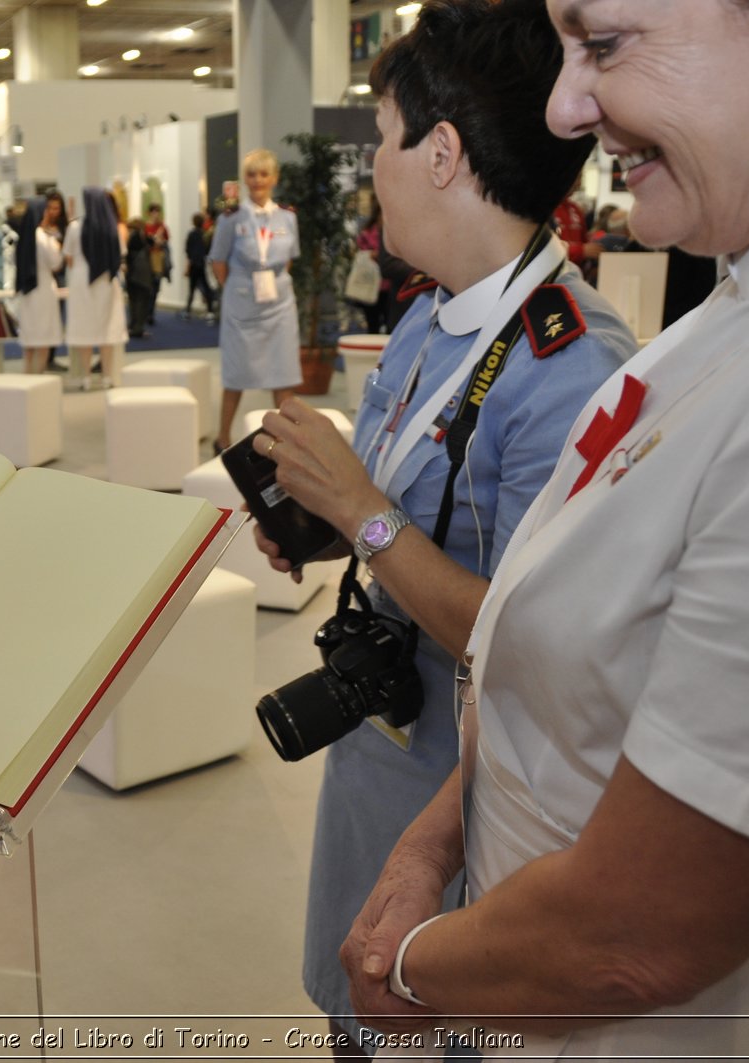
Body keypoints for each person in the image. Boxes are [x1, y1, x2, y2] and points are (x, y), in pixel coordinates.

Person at [328, 0, 749, 1056]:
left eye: (606, 45)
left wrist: (409, 966)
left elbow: (638, 936)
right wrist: (431, 846)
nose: (567, 110)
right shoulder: (730, 320)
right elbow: (550, 662)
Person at [248, 1, 637, 1054]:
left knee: (428, 1020)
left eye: (381, 139)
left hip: (472, 797)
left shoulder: (574, 371)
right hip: (380, 753)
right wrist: (324, 522)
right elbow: (404, 514)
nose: (372, 166)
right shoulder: (427, 316)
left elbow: (533, 643)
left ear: (441, 153)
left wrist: (362, 513)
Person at [208, 148, 302, 453]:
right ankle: (223, 437)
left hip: (279, 304)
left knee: (284, 372)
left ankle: (287, 439)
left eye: (264, 174)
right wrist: (239, 289)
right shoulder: (231, 218)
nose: (258, 180)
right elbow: (218, 262)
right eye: (251, 174)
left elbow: (288, 261)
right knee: (235, 374)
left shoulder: (287, 217)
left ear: (274, 178)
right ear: (245, 179)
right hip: (242, 305)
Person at [63, 186, 125, 389]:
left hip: (82, 282)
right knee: (107, 328)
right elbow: (120, 256)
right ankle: (107, 376)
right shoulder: (112, 228)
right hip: (107, 282)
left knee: (84, 327)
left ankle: (86, 377)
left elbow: (68, 258)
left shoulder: (74, 227)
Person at [13, 196, 64, 373]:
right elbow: (56, 263)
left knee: (29, 340)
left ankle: (27, 375)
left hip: (28, 293)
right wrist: (56, 245)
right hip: (43, 290)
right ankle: (38, 376)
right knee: (43, 339)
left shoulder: (24, 238)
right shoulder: (43, 238)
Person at [352, 198, 392, 333]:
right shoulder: (367, 232)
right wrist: (372, 254)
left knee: (390, 324)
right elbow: (360, 252)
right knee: (372, 323)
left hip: (390, 287)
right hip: (370, 284)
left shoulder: (395, 231)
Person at [124, 215, 156, 339]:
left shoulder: (128, 237)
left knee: (133, 301)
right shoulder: (139, 237)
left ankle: (133, 325)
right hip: (141, 274)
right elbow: (152, 243)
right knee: (142, 301)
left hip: (131, 273)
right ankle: (138, 328)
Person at [182, 211, 217, 320]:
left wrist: (189, 261)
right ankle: (210, 310)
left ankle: (188, 310)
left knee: (192, 288)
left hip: (194, 264)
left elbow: (188, 250)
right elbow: (208, 249)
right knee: (206, 286)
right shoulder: (205, 234)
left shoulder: (191, 234)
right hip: (202, 263)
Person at [143, 202, 170, 326]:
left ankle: (150, 313)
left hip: (158, 258)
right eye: (154, 211)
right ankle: (147, 312)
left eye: (157, 212)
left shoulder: (162, 227)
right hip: (148, 259)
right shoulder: (145, 227)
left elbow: (166, 241)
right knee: (148, 287)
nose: (156, 214)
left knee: (156, 286)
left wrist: (160, 240)